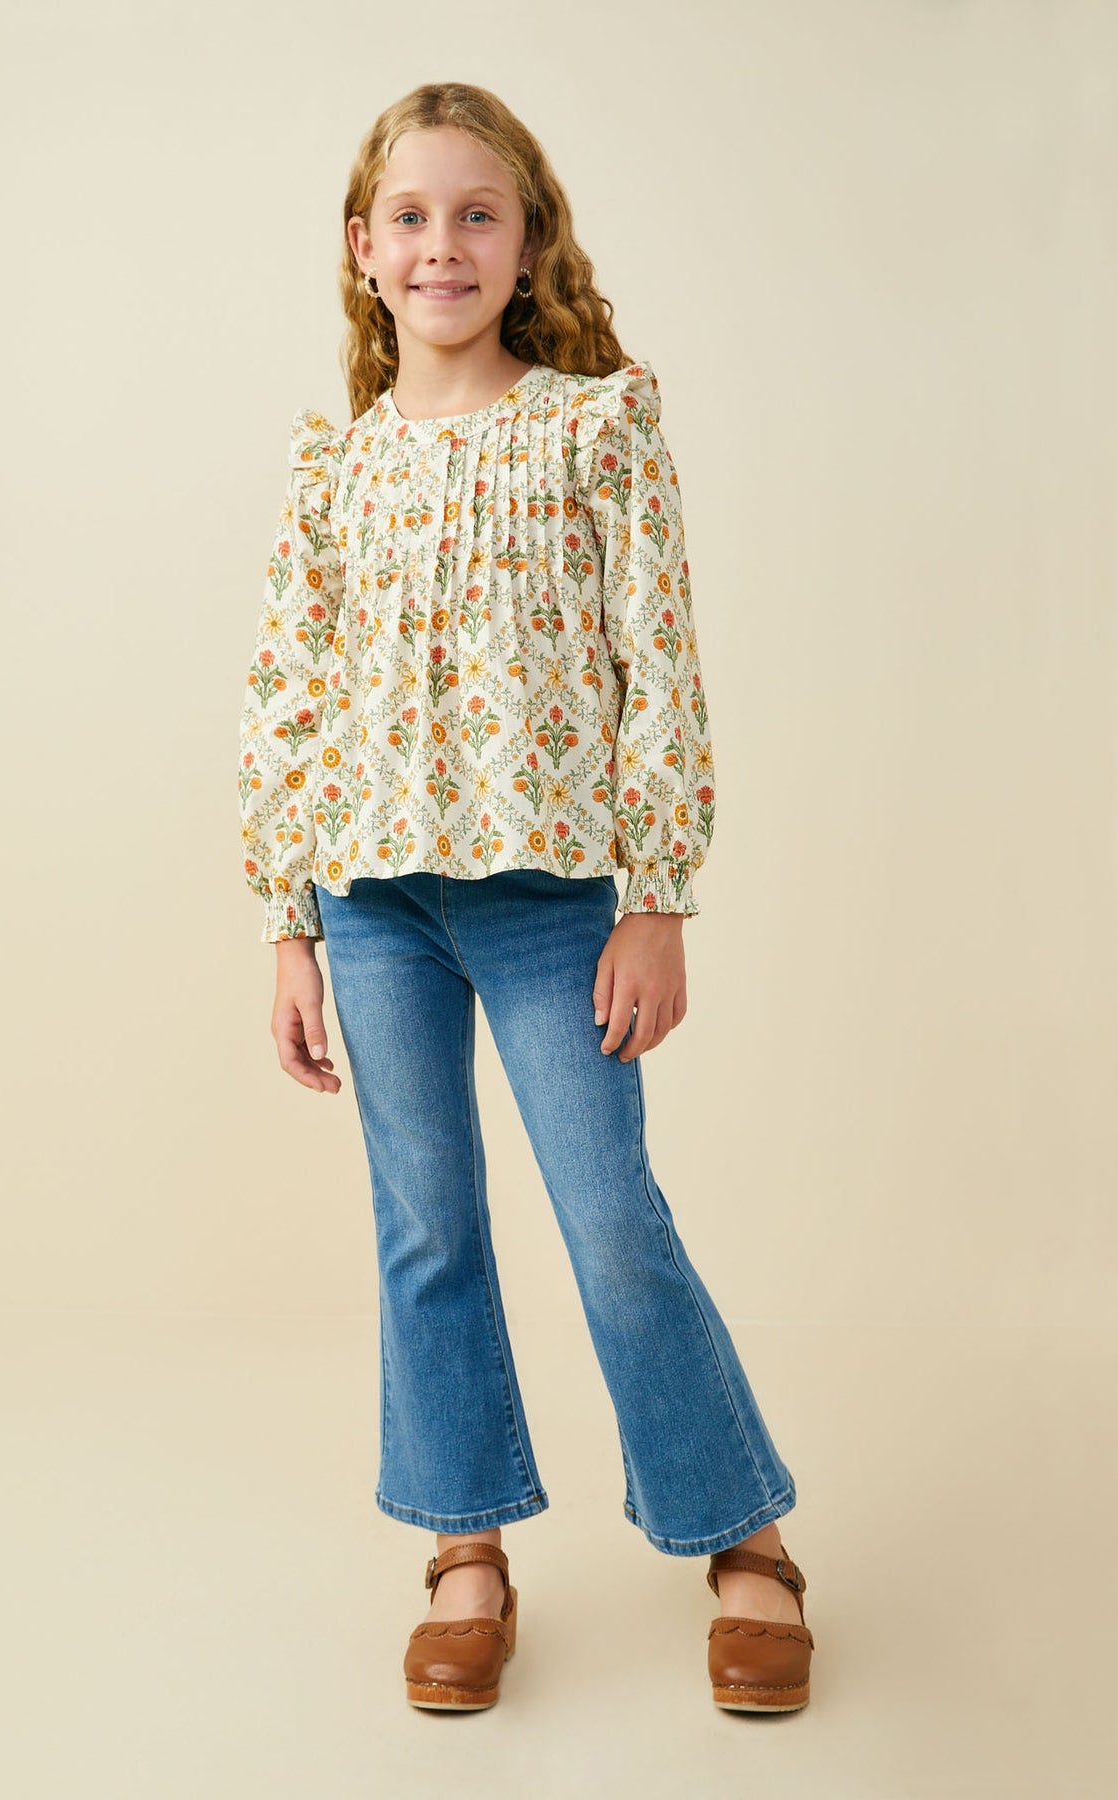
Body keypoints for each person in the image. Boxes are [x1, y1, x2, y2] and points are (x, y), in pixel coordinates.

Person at [237, 80, 815, 1714]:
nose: (444, 245)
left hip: (554, 894)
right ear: (364, 249)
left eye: (477, 214)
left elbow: (659, 670)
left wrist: (659, 898)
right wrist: (290, 924)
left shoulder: (594, 427)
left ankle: (745, 1536)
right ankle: (465, 1547)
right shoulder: (335, 466)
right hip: (372, 899)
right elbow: (289, 695)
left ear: (529, 240)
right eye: (411, 217)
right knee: (425, 1226)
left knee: (611, 1218)